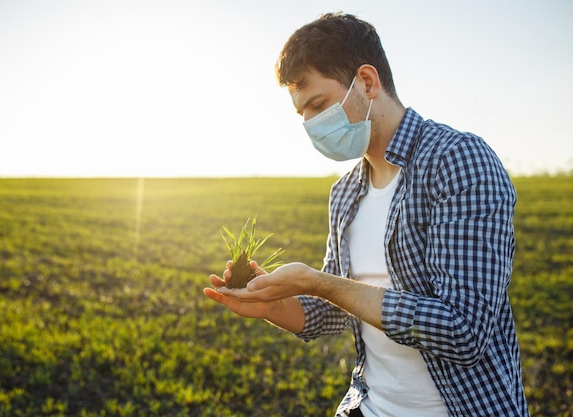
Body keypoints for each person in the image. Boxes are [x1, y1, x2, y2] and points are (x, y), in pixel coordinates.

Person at [203, 12, 529, 417]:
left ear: (368, 82)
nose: (311, 124)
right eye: (302, 114)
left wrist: (322, 283)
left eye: (319, 104)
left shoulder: (457, 161)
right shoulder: (344, 193)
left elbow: (463, 331)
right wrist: (271, 306)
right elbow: (333, 314)